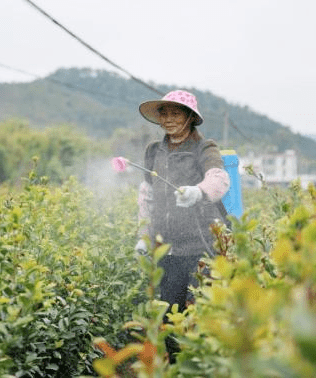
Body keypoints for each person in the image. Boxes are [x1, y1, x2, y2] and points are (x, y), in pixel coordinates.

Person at [135, 89, 230, 363]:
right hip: (168, 249)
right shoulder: (153, 151)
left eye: (176, 113)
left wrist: (199, 192)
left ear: (190, 117)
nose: (169, 119)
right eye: (164, 113)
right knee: (169, 314)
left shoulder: (204, 147)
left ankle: (205, 366)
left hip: (203, 245)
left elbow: (219, 178)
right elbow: (147, 195)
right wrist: (144, 236)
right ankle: (176, 367)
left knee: (202, 311)